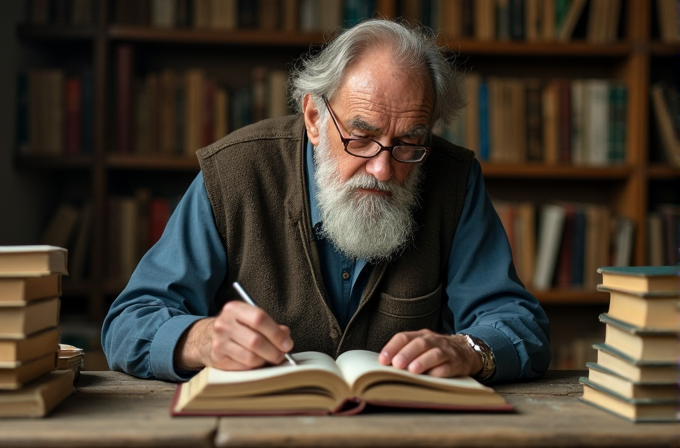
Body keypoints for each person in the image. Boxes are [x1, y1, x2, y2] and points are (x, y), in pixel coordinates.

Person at [102, 18, 551, 384]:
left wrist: (468, 349)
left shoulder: (453, 180)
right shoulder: (236, 173)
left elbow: (518, 322)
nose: (383, 168)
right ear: (315, 118)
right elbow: (128, 322)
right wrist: (199, 340)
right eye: (362, 137)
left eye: (409, 143)